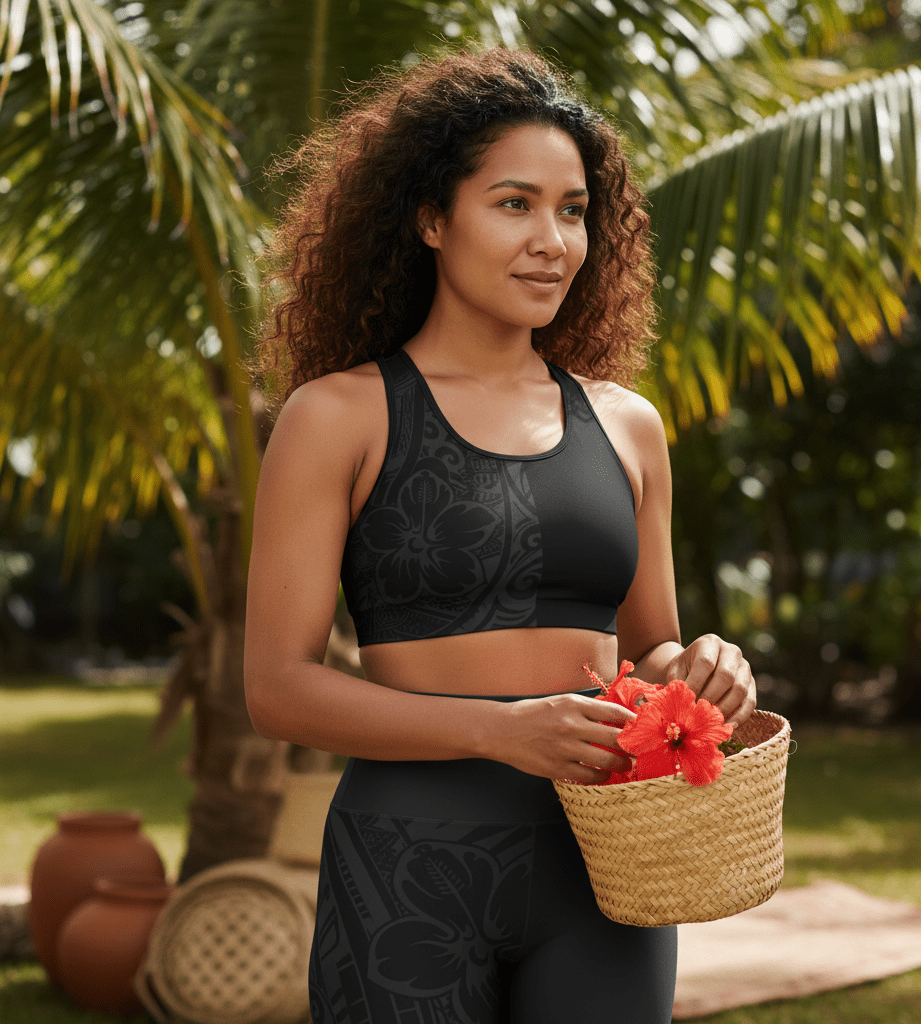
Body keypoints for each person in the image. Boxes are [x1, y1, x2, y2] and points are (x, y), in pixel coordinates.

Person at [244, 46, 756, 1024]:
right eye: (513, 203)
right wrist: (501, 727)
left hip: (608, 870)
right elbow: (276, 689)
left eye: (572, 211)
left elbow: (650, 650)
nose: (553, 241)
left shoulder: (627, 424)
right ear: (432, 217)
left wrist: (702, 664)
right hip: (406, 868)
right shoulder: (338, 416)